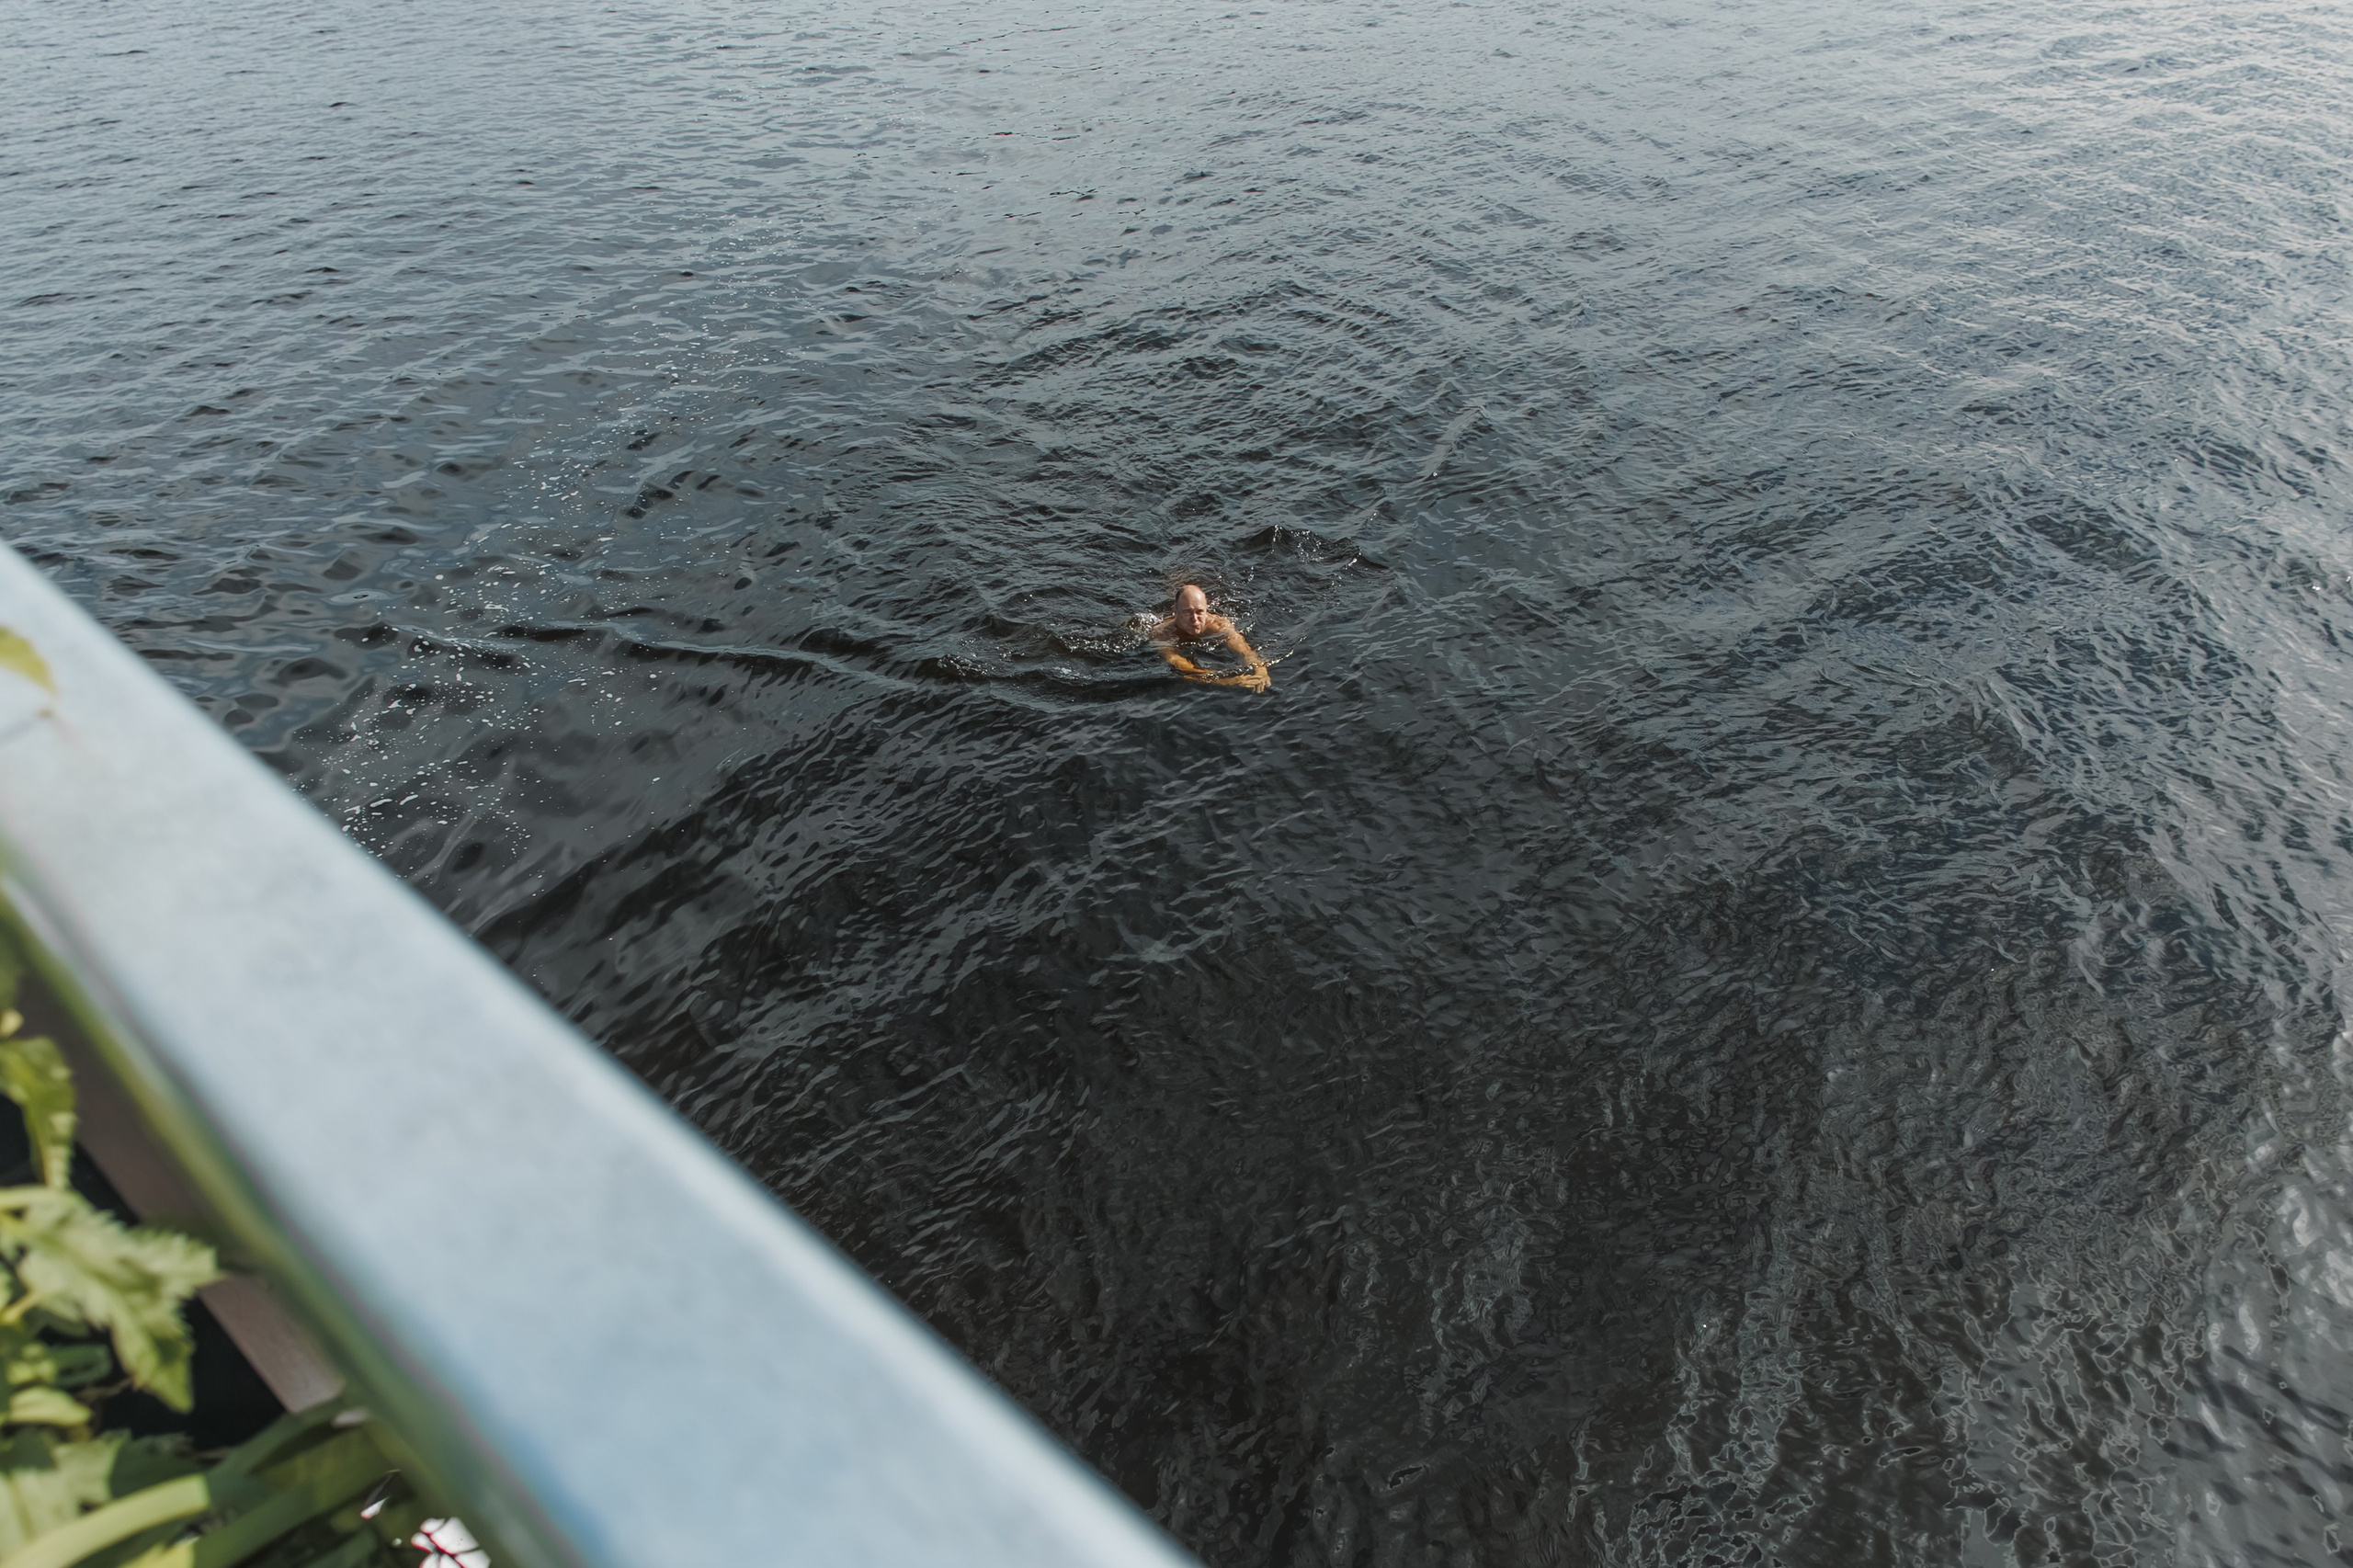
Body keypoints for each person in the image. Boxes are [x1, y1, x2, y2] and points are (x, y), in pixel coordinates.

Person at [1150, 584, 1270, 692]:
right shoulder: (1161, 634)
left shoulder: (1219, 625)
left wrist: (1261, 670)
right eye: (1187, 612)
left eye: (1199, 612)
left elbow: (1245, 651)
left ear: (1206, 609)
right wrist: (1227, 681)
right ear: (1175, 610)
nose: (1194, 619)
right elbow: (1182, 666)